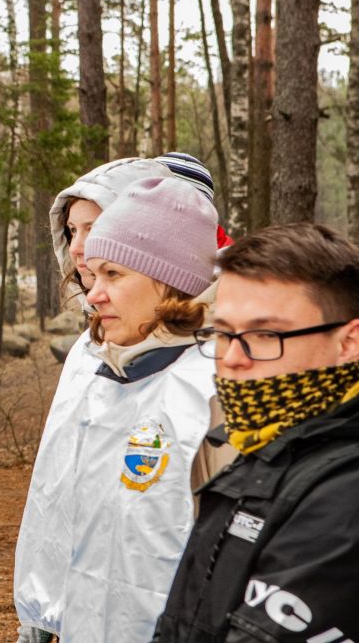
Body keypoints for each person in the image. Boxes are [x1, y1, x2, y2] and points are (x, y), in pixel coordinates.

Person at [13, 176, 226, 643]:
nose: (92, 294)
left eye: (114, 274)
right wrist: (46, 608)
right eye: (96, 274)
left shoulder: (215, 387)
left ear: (170, 283)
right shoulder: (113, 372)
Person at [153, 223, 359, 641]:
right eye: (223, 333)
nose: (232, 358)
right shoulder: (265, 445)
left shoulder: (343, 493)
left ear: (349, 342)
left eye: (264, 335)